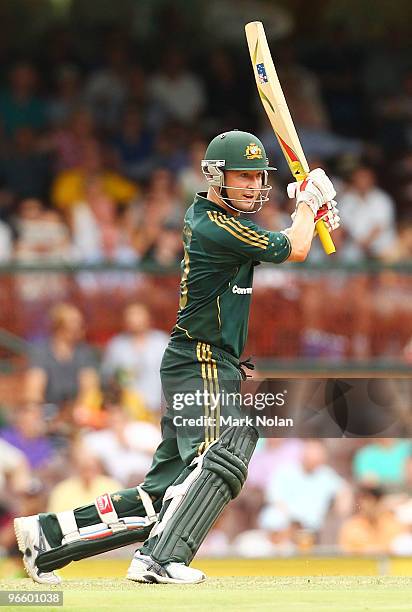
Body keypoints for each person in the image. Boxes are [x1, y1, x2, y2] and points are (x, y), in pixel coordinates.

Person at [14, 129, 340, 585]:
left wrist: (306, 206)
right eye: (241, 176)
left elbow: (283, 238)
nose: (251, 185)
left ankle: (48, 537)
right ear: (214, 176)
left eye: (256, 177)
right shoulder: (214, 225)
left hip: (205, 361)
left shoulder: (216, 219)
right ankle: (159, 559)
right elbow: (295, 247)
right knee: (224, 448)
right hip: (200, 360)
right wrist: (308, 204)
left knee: (165, 495)